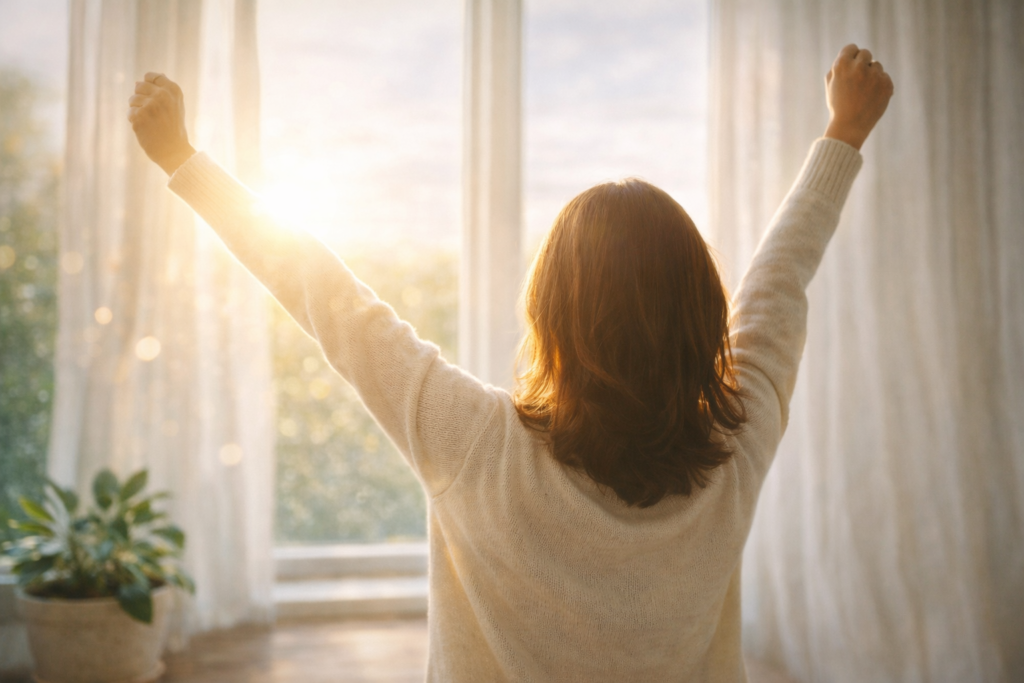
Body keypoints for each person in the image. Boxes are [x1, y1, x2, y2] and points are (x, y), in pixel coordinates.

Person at [128, 43, 892, 682]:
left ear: (549, 316)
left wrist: (186, 161)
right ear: (701, 321)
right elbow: (779, 280)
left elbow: (326, 295)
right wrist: (844, 131)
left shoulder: (474, 442)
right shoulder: (736, 447)